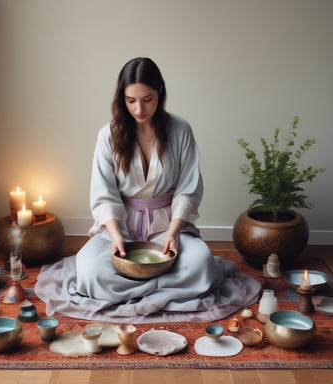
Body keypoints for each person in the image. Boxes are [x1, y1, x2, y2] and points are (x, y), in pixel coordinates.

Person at [35, 57, 261, 322]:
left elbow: (188, 189)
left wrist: (173, 235)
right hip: (121, 224)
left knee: (201, 265)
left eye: (147, 99)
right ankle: (165, 291)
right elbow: (104, 192)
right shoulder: (108, 135)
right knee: (90, 271)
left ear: (160, 93)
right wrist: (116, 235)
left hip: (168, 223)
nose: (139, 108)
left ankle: (131, 292)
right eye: (131, 100)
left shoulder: (181, 130)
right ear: (122, 98)